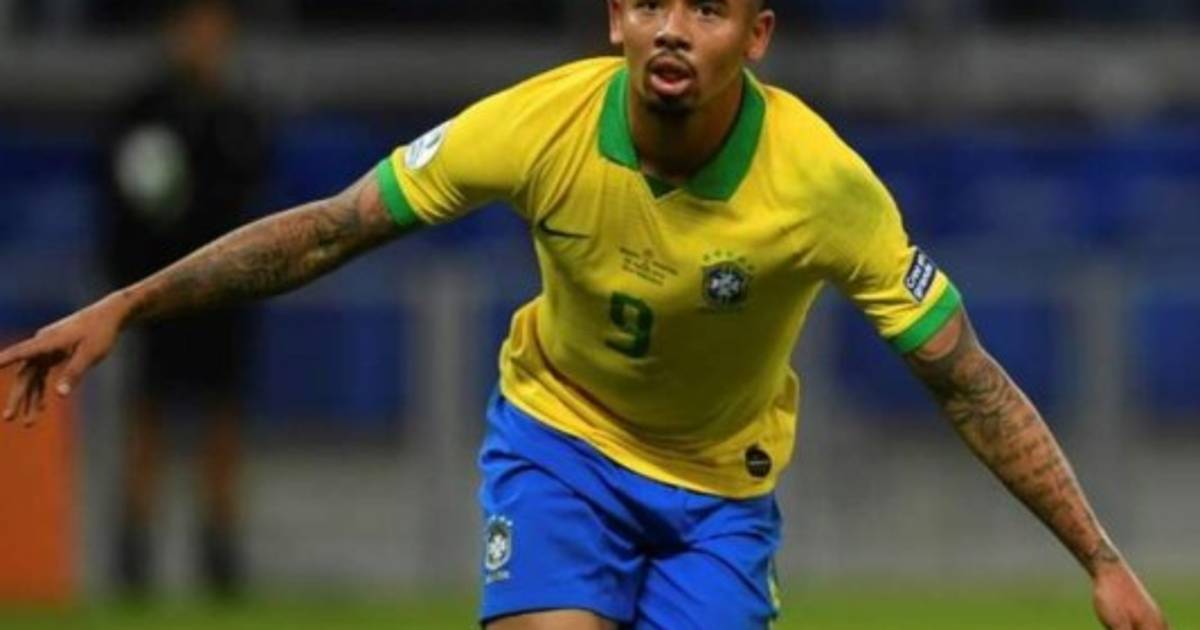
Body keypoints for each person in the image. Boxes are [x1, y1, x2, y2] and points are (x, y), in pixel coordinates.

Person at [0, 1, 1168, 628]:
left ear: (756, 35)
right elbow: (331, 227)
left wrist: (1102, 562)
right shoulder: (534, 125)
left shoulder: (824, 186)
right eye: (651, 2)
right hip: (559, 447)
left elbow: (965, 377)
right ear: (616, 19)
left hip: (720, 495)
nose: (673, 28)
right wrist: (129, 304)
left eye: (706, 8)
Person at [98, 0, 265, 597]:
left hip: (225, 296)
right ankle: (134, 553)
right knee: (148, 418)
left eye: (215, 27)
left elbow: (255, 203)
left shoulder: (237, 114)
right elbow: (119, 201)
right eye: (196, 26)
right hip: (157, 293)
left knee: (222, 421)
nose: (205, 38)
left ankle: (220, 554)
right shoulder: (143, 111)